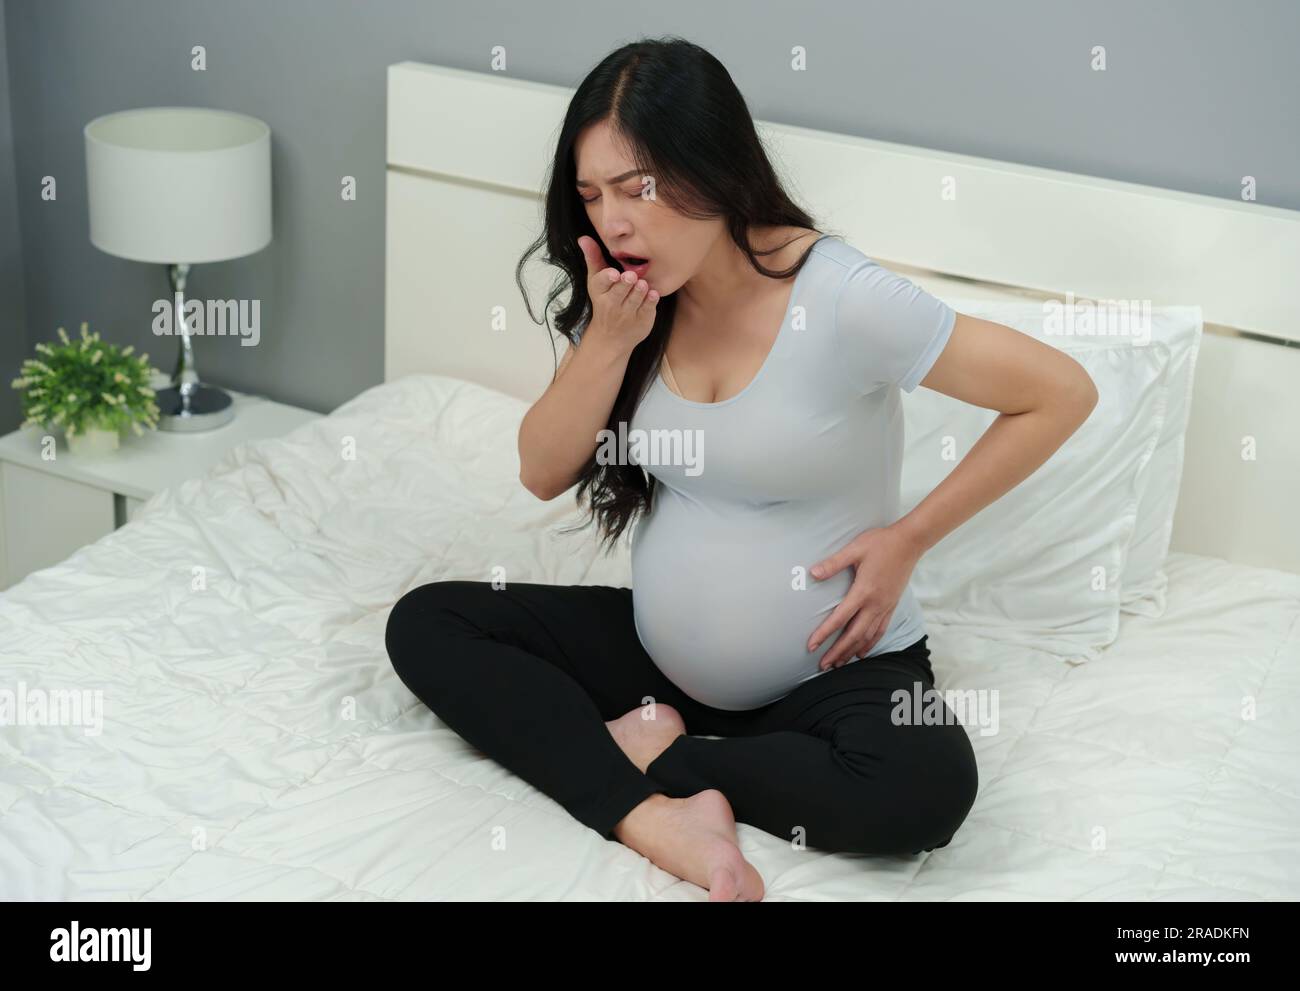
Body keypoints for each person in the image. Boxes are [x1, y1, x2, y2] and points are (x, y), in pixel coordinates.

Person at [385, 37, 1098, 902]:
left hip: (832, 666)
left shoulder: (843, 297)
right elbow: (541, 469)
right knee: (428, 623)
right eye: (592, 195)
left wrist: (910, 537)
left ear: (712, 167)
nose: (612, 223)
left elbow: (1059, 393)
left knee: (926, 787)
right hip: (657, 658)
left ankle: (661, 758)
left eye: (637, 189)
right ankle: (652, 815)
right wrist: (608, 341)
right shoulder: (629, 298)